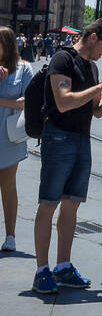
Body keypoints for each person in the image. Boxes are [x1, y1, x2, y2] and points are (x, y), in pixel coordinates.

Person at [32, 19, 102, 294]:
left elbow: (97, 110)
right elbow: (63, 102)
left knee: (72, 205)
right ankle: (42, 271)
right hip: (58, 137)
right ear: (93, 37)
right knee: (48, 204)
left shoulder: (91, 66)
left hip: (81, 139)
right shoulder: (63, 59)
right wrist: (101, 86)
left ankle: (63, 266)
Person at [0, 25, 35, 251]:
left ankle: (10, 235)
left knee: (7, 186)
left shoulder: (23, 69)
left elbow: (28, 101)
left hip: (8, 137)